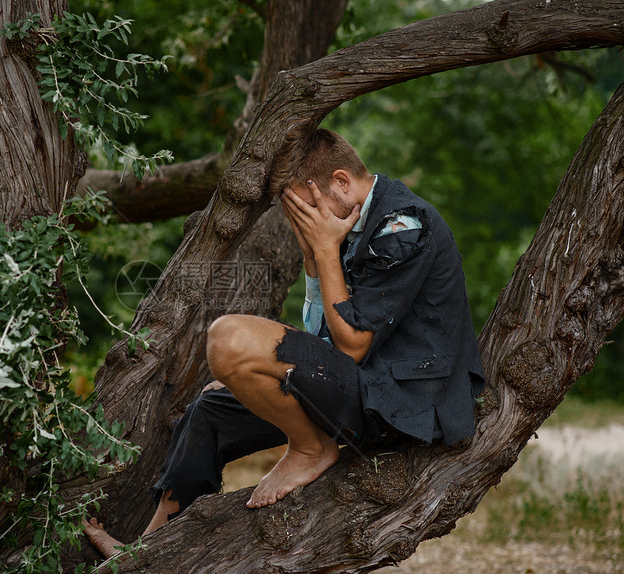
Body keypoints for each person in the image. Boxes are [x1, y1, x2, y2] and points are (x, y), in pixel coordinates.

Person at [84, 128, 485, 558]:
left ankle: (311, 448)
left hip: (406, 405)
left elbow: (351, 347)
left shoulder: (402, 226)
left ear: (341, 182)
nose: (309, 223)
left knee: (229, 338)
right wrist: (315, 260)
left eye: (309, 209)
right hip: (364, 387)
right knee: (211, 408)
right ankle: (149, 552)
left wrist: (326, 250)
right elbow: (323, 337)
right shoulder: (350, 223)